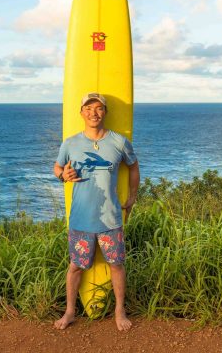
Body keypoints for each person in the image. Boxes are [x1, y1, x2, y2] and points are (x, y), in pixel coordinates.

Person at [53, 92, 140, 332]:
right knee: (75, 266)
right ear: (81, 113)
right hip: (80, 219)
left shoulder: (119, 142)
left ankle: (119, 310)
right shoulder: (70, 143)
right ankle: (70, 312)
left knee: (117, 265)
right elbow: (57, 167)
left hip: (110, 219)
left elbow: (133, 166)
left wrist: (132, 197)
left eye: (99, 108)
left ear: (105, 112)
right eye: (88, 108)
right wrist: (62, 175)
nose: (94, 113)